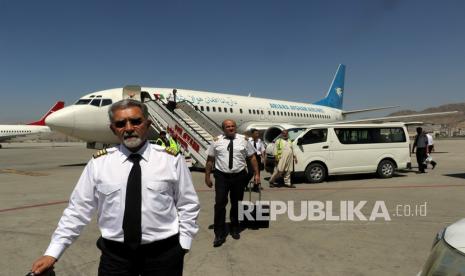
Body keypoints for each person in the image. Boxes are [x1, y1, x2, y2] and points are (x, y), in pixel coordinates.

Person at [30, 99, 200, 276]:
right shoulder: (98, 164)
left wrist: (184, 244)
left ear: (148, 124)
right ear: (113, 129)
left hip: (164, 255)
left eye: (136, 121)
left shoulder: (171, 160)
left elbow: (187, 204)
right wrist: (52, 252)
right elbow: (77, 210)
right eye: (120, 124)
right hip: (116, 257)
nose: (128, 128)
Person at [205, 119, 260, 247]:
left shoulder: (244, 140)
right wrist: (207, 176)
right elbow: (210, 159)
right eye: (228, 126)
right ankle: (219, 233)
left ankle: (235, 227)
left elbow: (252, 157)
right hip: (221, 176)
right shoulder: (216, 141)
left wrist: (257, 174)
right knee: (219, 203)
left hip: (239, 176)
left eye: (233, 126)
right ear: (223, 129)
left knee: (236, 203)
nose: (231, 128)